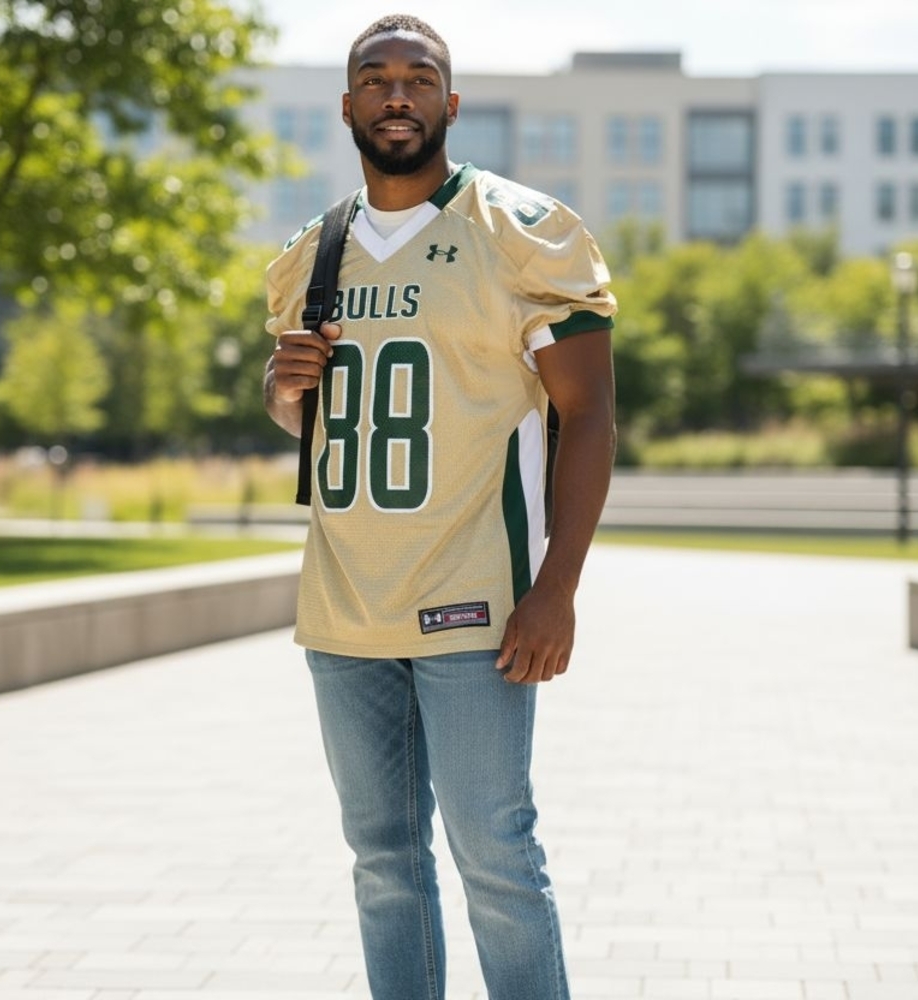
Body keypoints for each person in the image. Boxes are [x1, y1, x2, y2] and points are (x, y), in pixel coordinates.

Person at [263, 14, 616, 999]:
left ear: (450, 102)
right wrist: (284, 387)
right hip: (342, 608)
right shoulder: (310, 253)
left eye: (418, 78)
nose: (396, 94)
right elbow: (314, 415)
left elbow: (587, 418)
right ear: (347, 106)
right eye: (374, 79)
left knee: (496, 860)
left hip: (477, 601)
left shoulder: (520, 232)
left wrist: (557, 589)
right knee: (382, 866)